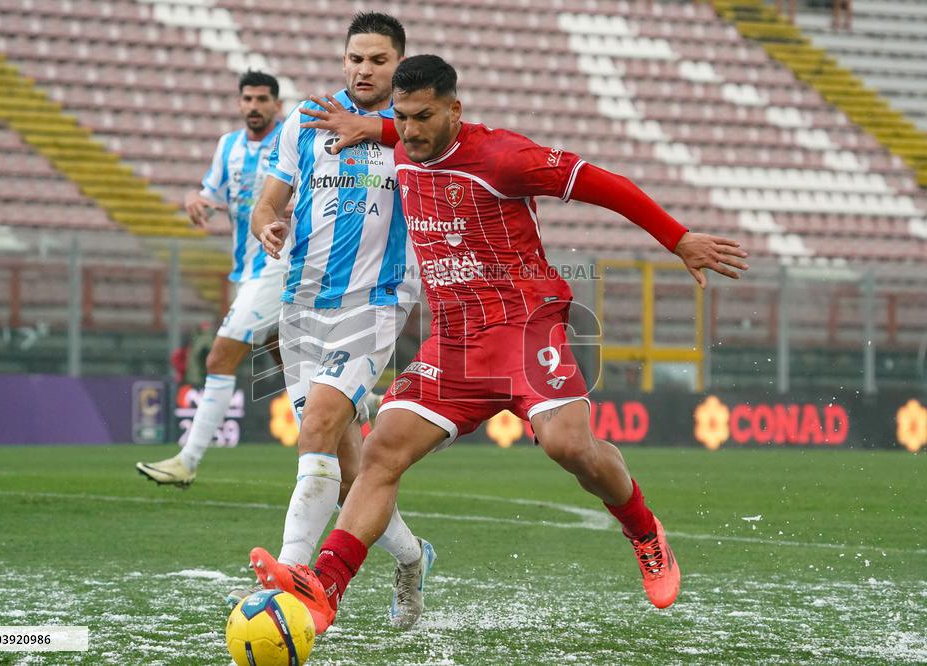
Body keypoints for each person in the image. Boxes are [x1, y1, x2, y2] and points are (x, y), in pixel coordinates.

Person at [248, 55, 751, 633]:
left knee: (570, 448)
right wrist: (367, 127)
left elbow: (604, 184)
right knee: (382, 448)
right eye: (402, 119)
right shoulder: (404, 141)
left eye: (423, 117)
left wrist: (679, 238)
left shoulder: (503, 157)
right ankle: (326, 587)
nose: (409, 131)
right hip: (455, 342)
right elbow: (390, 130)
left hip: (525, 328)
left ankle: (643, 528)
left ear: (455, 110)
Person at [246, 13, 433, 630]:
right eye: (356, 57)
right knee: (352, 468)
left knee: (319, 425)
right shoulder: (305, 120)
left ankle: (290, 583)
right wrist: (267, 222)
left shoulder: (418, 131)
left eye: (379, 60)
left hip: (374, 303)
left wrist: (381, 129)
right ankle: (412, 558)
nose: (364, 69)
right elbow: (269, 199)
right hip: (301, 306)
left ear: (399, 66)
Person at [136, 70, 287, 488]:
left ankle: (188, 459)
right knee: (293, 366)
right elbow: (212, 194)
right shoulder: (229, 146)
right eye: (247, 99)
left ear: (277, 105)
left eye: (262, 99)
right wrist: (195, 200)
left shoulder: (290, 141)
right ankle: (358, 405)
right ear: (239, 104)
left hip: (279, 265)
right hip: (247, 270)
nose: (254, 106)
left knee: (220, 356)